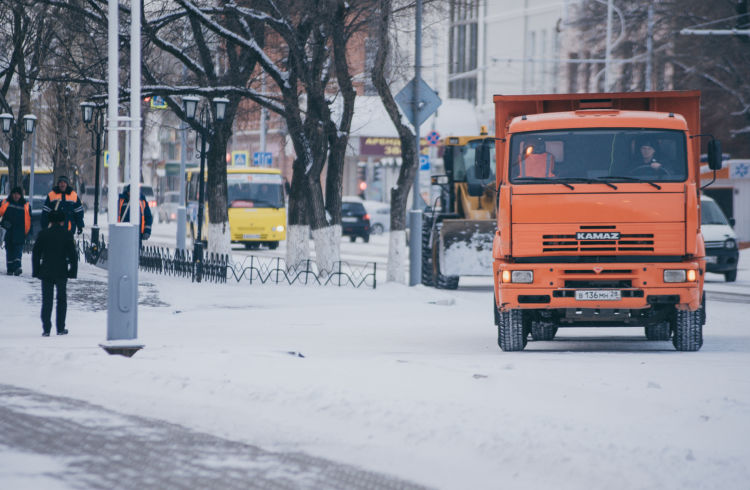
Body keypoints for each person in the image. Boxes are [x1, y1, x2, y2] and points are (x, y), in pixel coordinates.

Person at [32, 209, 78, 336]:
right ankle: (60, 327)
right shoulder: (67, 234)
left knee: (47, 300)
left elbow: (36, 253)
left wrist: (36, 271)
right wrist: (72, 271)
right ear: (62, 221)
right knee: (61, 300)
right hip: (61, 271)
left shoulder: (43, 233)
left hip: (46, 271)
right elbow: (73, 255)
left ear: (50, 221)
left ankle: (46, 329)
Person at [0, 186, 31, 275]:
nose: (16, 196)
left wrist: (27, 231)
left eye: (18, 194)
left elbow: (28, 219)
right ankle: (10, 268)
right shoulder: (6, 203)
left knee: (18, 250)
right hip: (8, 231)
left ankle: (17, 267)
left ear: (21, 195)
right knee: (9, 249)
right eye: (14, 194)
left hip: (19, 231)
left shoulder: (26, 205)